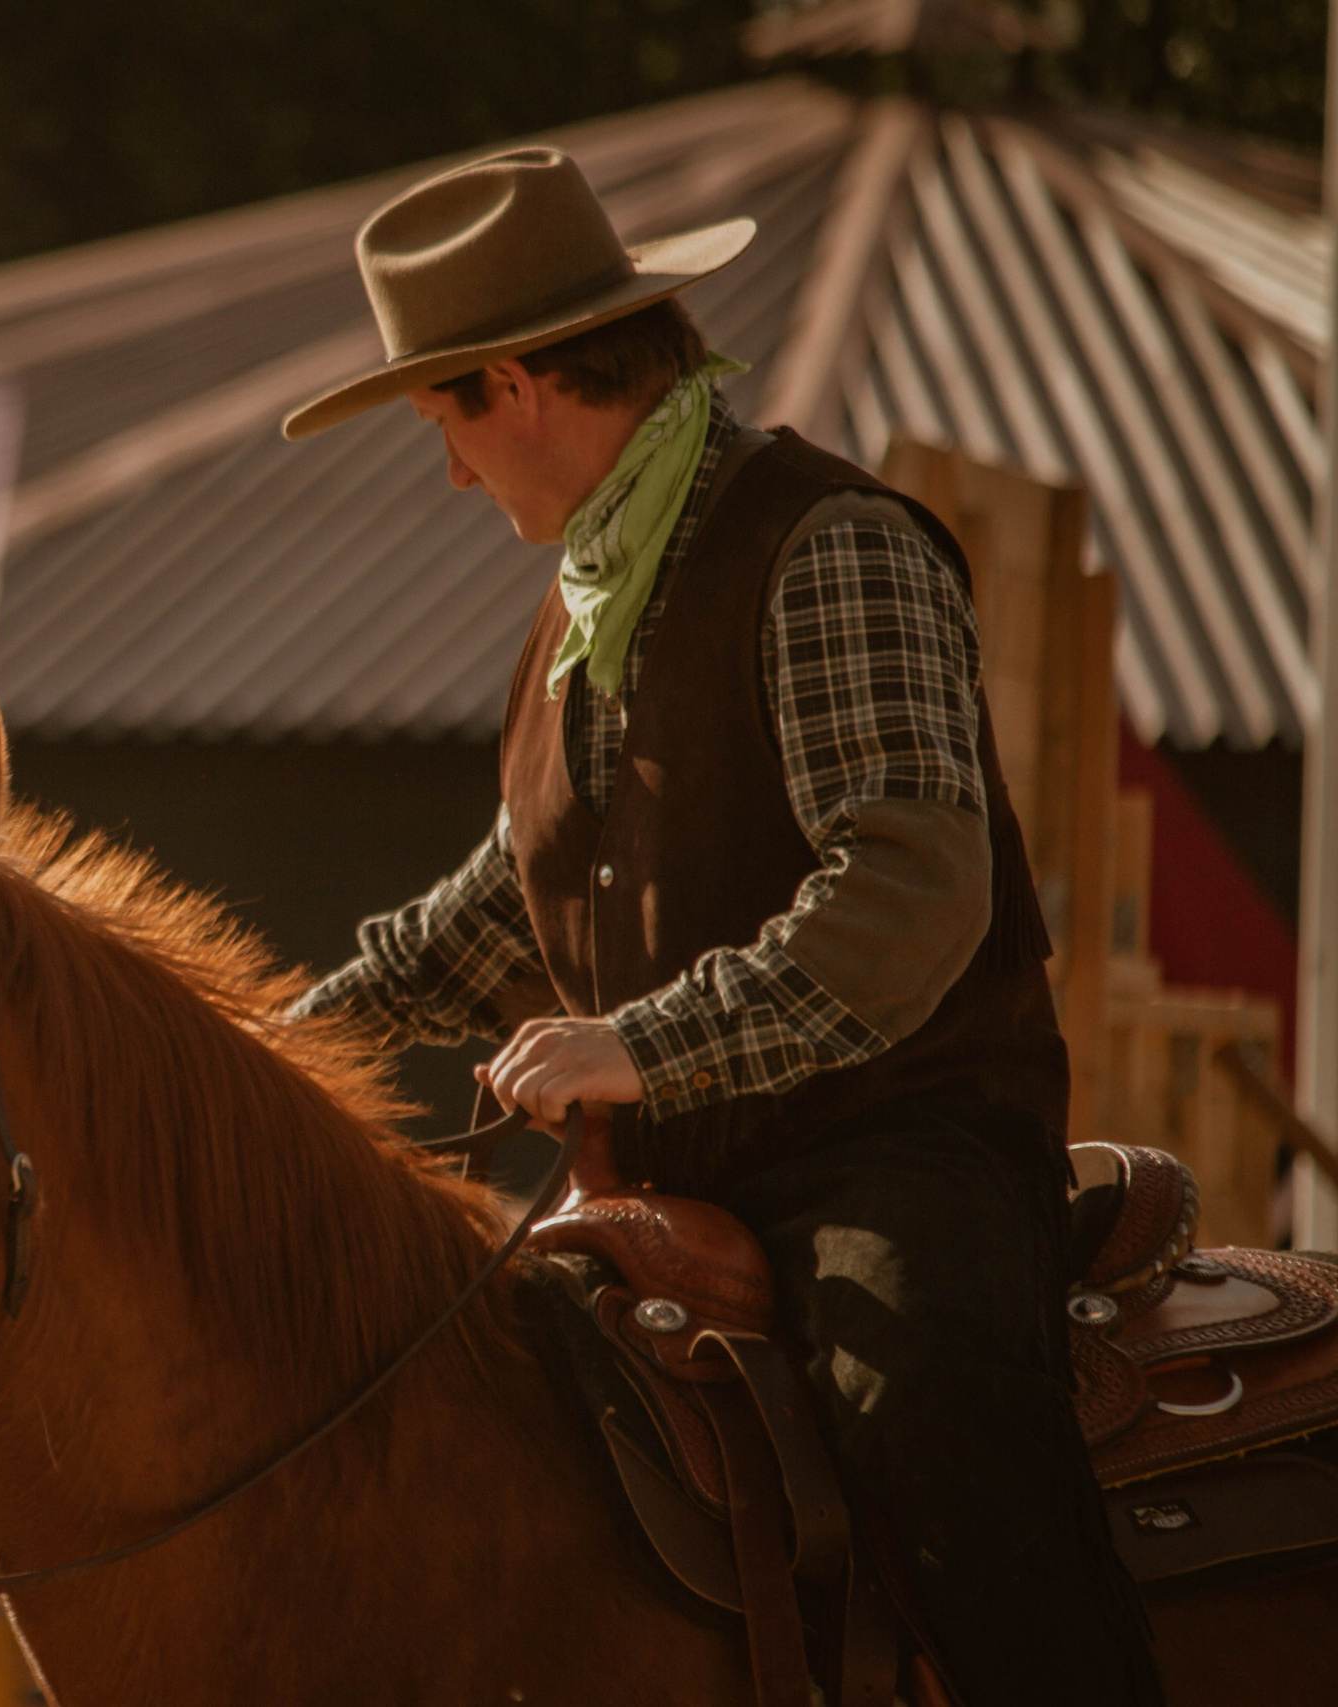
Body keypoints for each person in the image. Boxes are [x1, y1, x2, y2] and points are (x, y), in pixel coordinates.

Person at [279, 147, 1162, 1704]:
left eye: (446, 429)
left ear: (510, 384)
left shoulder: (826, 541)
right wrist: (269, 1049)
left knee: (930, 1413)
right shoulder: (589, 593)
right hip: (671, 1177)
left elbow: (908, 888)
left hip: (901, 1147)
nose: (452, 476)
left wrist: (638, 1044)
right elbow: (504, 901)